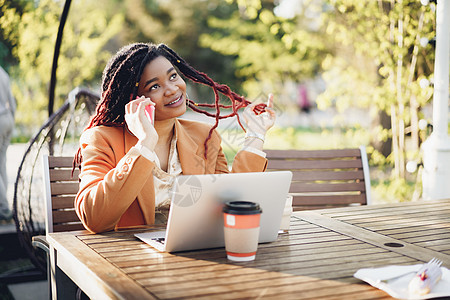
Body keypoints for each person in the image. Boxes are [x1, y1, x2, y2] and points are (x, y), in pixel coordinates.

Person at [74, 43, 276, 233]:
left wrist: (255, 136)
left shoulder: (204, 136)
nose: (172, 89)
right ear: (132, 99)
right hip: (131, 259)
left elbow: (230, 200)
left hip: (197, 253)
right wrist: (145, 144)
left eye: (173, 77)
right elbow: (94, 218)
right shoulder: (101, 139)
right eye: (154, 86)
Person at [0, 66, 16, 222]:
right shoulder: (3, 72)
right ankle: (3, 205)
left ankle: (4, 209)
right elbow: (11, 101)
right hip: (7, 119)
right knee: (1, 164)